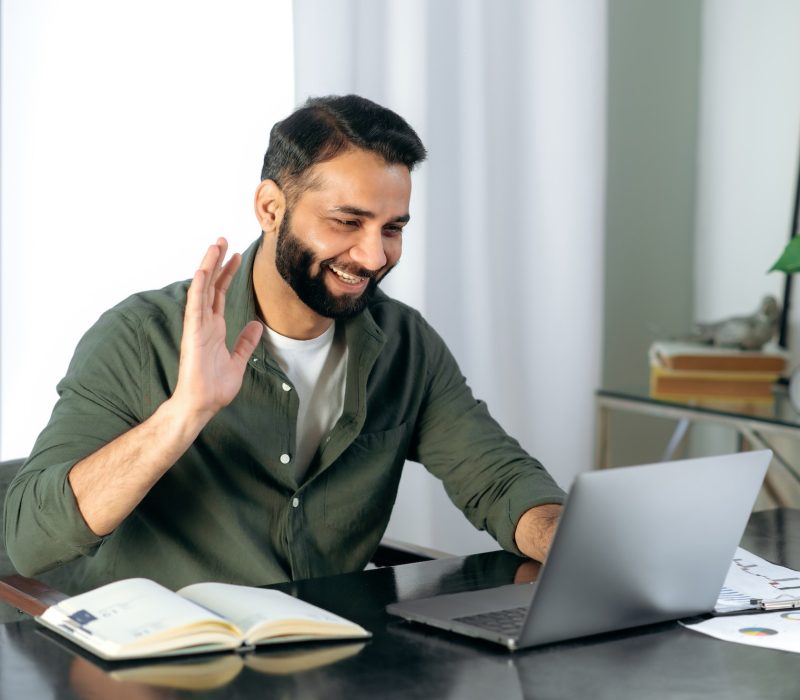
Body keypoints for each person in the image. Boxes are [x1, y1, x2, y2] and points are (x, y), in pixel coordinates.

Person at [4, 95, 565, 592]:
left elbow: (496, 478)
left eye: (392, 229)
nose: (374, 258)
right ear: (271, 208)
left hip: (330, 659)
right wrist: (184, 414)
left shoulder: (404, 342)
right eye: (347, 222)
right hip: (160, 666)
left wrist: (567, 541)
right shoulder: (139, 336)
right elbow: (30, 541)